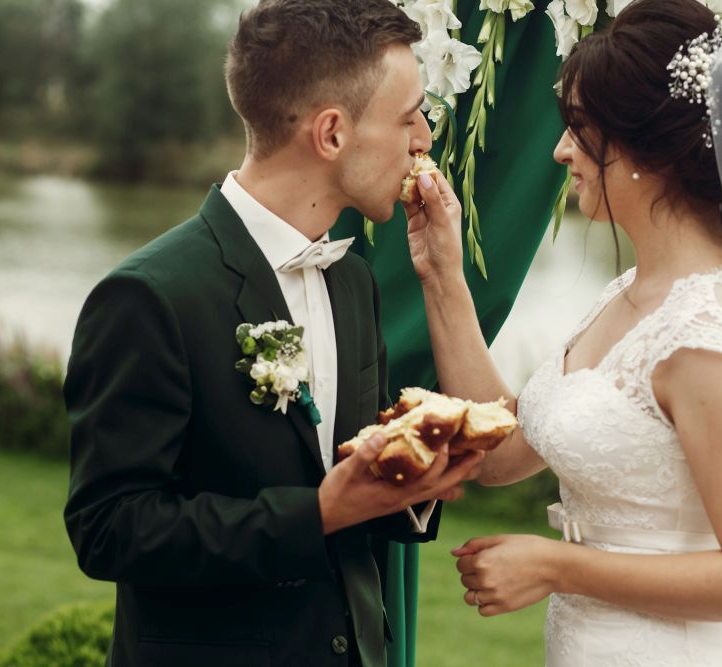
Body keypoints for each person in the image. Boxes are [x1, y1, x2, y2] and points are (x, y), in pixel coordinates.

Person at [403, 0, 722, 663]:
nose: (561, 151)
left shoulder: (711, 336)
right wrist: (443, 272)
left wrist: (558, 566)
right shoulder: (629, 297)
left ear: (654, 148)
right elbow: (501, 455)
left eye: (582, 129)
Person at [62, 1, 483, 665]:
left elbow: (347, 489)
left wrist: (405, 489)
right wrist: (315, 511)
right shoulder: (148, 296)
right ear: (332, 132)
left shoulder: (353, 282)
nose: (424, 137)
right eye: (409, 116)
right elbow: (109, 528)